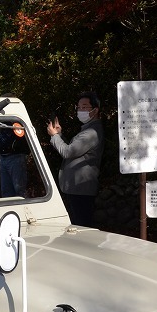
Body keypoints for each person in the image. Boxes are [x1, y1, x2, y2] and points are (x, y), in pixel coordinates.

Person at [46, 92, 104, 227]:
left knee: (82, 225)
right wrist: (59, 134)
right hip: (77, 187)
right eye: (78, 107)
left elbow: (67, 152)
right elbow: (74, 150)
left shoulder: (91, 133)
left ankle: (85, 248)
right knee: (79, 223)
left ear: (95, 110)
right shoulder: (88, 130)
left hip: (81, 188)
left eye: (84, 107)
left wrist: (54, 136)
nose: (80, 110)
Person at [0, 123, 30, 197]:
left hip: (15, 157)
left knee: (20, 189)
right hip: (3, 157)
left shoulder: (15, 121)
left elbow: (21, 135)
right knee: (6, 191)